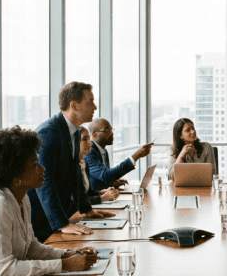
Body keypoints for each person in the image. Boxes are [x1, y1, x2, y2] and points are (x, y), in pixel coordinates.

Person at [0, 126, 99, 276]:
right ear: (16, 175)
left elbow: (31, 247)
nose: (42, 169)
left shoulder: (22, 198)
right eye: (35, 164)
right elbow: (4, 270)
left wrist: (67, 255)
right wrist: (64, 265)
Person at [28, 82, 114, 242]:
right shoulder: (48, 133)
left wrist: (87, 209)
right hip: (41, 218)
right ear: (74, 106)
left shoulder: (73, 132)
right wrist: (62, 224)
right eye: (90, 102)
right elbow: (44, 182)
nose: (95, 107)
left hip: (56, 215)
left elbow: (75, 176)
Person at [85, 117, 152, 191]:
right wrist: (136, 156)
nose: (111, 133)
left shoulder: (103, 151)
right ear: (94, 134)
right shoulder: (89, 152)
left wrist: (112, 183)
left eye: (111, 129)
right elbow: (106, 175)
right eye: (107, 129)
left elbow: (101, 178)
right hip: (95, 200)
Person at [79, 127, 119, 205]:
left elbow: (86, 194)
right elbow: (77, 201)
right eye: (84, 139)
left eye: (89, 139)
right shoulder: (69, 167)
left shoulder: (84, 163)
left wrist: (100, 193)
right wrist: (103, 198)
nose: (90, 143)